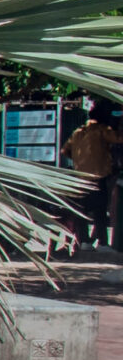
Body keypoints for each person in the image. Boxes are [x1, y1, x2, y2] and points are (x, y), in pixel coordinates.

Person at [64, 106, 115, 251]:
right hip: (98, 176)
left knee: (82, 210)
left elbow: (65, 150)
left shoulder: (78, 132)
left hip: (80, 177)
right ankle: (102, 243)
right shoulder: (102, 130)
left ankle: (84, 241)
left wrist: (79, 161)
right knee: (100, 210)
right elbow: (118, 139)